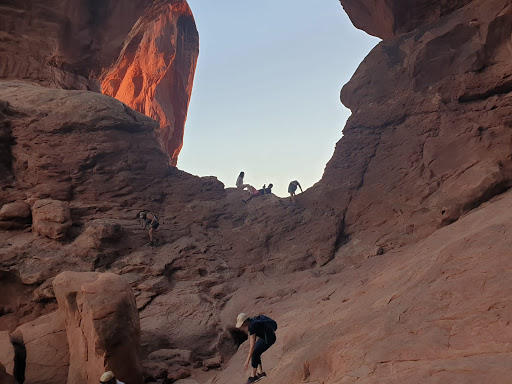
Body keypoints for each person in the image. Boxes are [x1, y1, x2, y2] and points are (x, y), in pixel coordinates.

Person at [236, 313, 277, 384]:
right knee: (256, 351)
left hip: (269, 339)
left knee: (254, 353)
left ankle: (253, 376)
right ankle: (260, 373)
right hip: (267, 336)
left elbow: (252, 347)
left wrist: (247, 361)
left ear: (245, 322)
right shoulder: (253, 320)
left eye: (242, 325)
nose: (241, 327)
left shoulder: (252, 327)